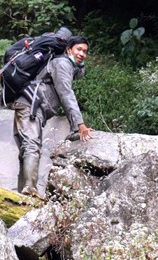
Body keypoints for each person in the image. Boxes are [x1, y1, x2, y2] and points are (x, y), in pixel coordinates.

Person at [12, 35, 94, 198]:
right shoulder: (62, 63)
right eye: (79, 49)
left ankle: (23, 194)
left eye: (85, 51)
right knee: (31, 146)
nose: (82, 54)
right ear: (68, 49)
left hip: (29, 106)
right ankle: (29, 191)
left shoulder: (65, 64)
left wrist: (80, 65)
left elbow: (78, 74)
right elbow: (66, 94)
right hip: (30, 107)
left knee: (28, 149)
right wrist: (79, 124)